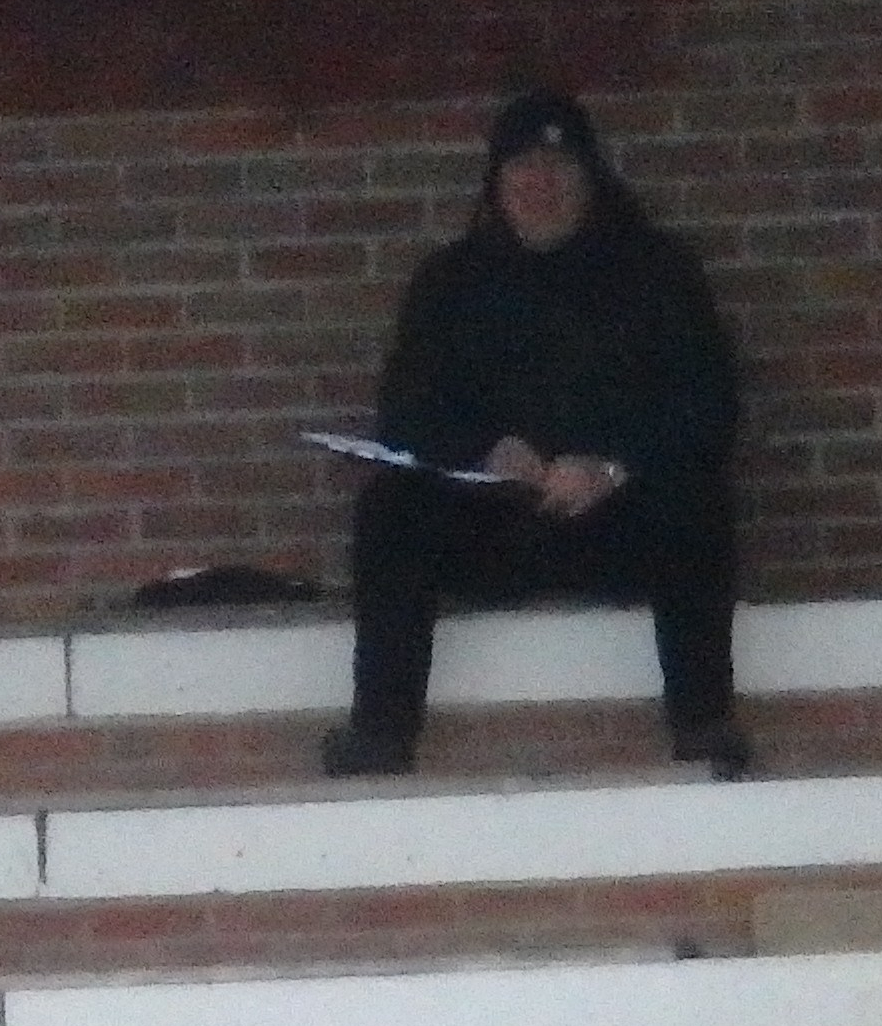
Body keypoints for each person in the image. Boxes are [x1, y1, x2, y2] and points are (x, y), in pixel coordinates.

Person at [322, 89, 753, 779]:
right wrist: (485, 452)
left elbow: (708, 403)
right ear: (496, 182)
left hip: (619, 521)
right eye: (522, 169)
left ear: (591, 177)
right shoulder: (449, 282)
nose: (539, 186)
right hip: (491, 523)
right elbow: (405, 412)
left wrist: (611, 466)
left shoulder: (658, 271)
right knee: (390, 511)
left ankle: (705, 724)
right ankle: (380, 734)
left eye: (558, 168)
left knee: (697, 503)